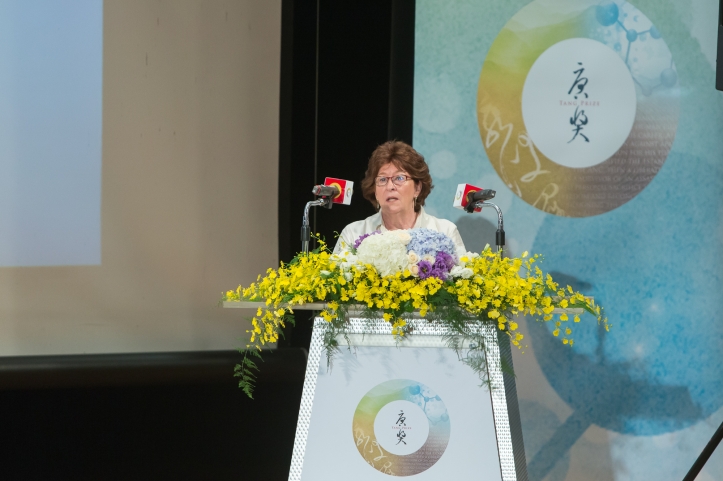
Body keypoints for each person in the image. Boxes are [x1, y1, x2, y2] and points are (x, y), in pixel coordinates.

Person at [333, 140, 466, 255]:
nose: (390, 186)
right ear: (374, 190)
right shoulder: (354, 234)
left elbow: (461, 282)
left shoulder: (445, 231)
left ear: (417, 188)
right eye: (383, 179)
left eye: (399, 178)